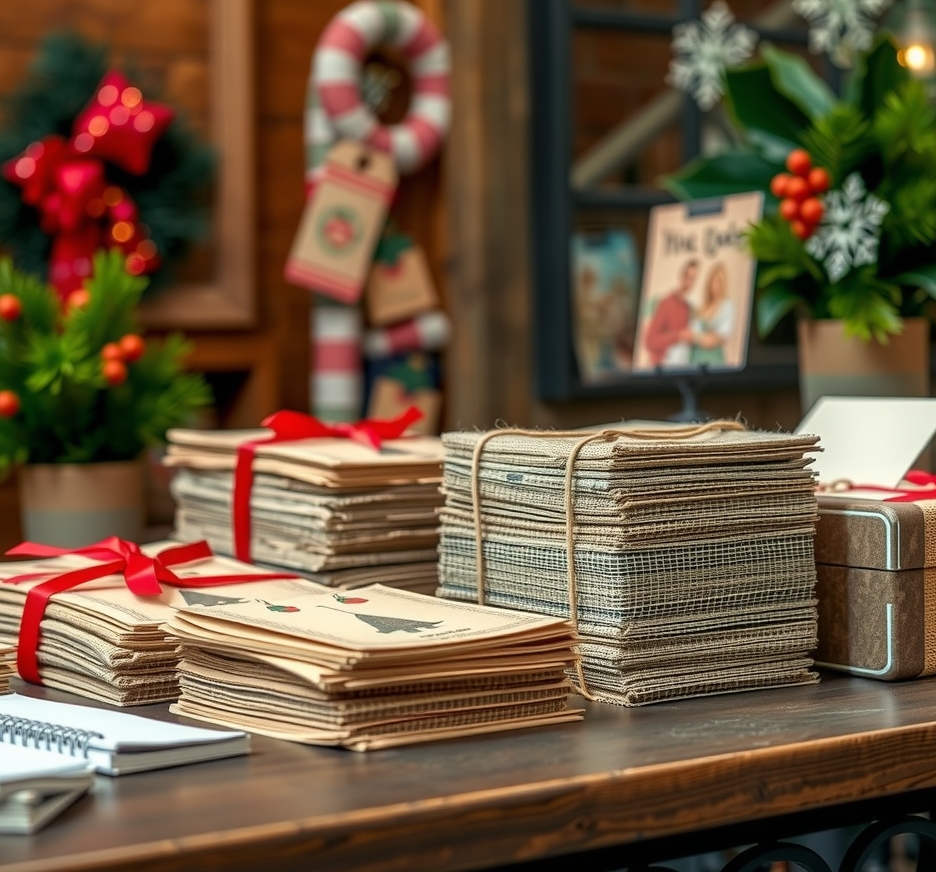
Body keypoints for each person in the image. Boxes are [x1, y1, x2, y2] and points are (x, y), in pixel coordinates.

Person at [642, 259, 698, 367]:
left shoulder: (688, 307)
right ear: (681, 276)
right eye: (687, 277)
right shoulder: (667, 303)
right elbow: (650, 341)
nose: (689, 283)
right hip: (662, 368)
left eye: (693, 279)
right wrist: (678, 336)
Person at [689, 262, 735, 368]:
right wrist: (700, 338)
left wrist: (709, 339)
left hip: (714, 356)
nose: (714, 286)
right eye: (712, 282)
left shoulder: (727, 305)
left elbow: (725, 333)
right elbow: (694, 330)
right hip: (697, 355)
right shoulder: (702, 306)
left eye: (718, 282)